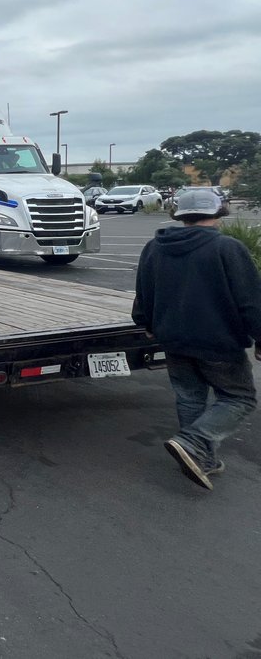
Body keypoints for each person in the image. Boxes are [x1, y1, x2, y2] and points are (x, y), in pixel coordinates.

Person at [132, 188, 261, 490]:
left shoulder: (156, 246)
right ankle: (192, 442)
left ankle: (203, 460)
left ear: (179, 215)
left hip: (172, 338)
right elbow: (250, 300)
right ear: (218, 212)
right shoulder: (227, 248)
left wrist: (146, 323)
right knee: (239, 398)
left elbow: (145, 290)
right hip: (218, 341)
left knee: (190, 397)